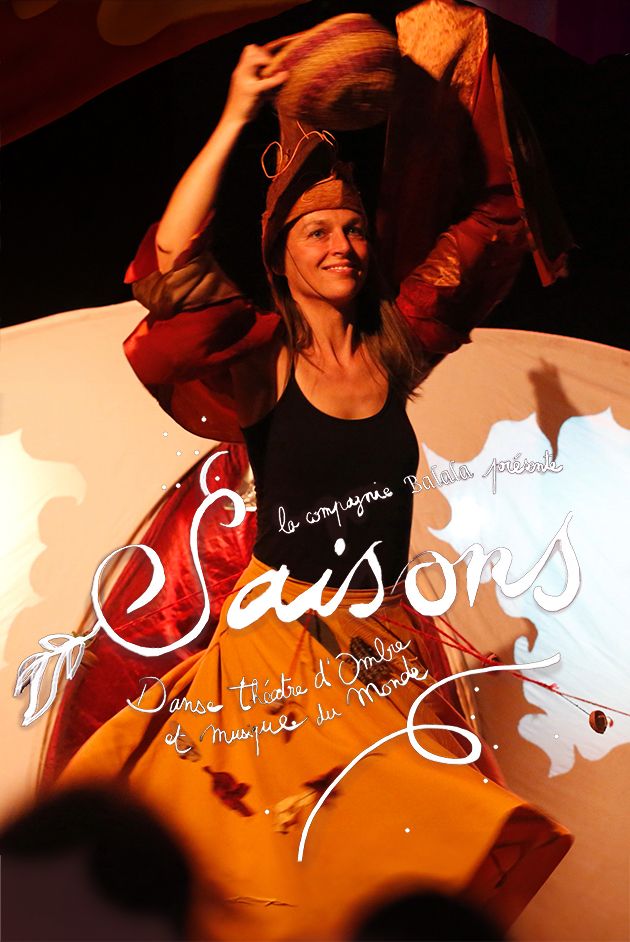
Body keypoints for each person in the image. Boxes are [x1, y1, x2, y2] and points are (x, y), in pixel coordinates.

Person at [58, 27, 572, 942]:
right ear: (281, 253)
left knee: (400, 860)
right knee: (283, 873)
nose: (343, 243)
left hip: (383, 644)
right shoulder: (264, 359)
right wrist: (236, 114)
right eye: (318, 231)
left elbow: (496, 223)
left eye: (354, 228)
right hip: (283, 651)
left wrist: (456, 59)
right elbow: (170, 265)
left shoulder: (395, 345)